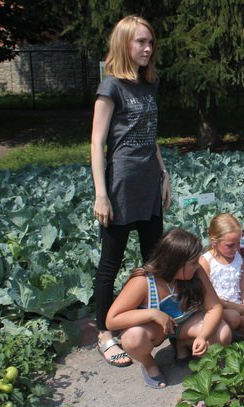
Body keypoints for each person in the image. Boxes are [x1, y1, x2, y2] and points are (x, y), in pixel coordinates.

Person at [91, 16, 171, 367]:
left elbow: (150, 136)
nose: (148, 48)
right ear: (124, 44)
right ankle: (104, 333)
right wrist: (101, 194)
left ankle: (151, 316)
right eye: (140, 42)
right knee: (110, 264)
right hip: (121, 185)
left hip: (149, 182)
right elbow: (96, 142)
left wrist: (164, 174)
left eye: (150, 42)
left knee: (154, 260)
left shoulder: (148, 84)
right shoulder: (111, 86)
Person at [106, 228, 232, 388]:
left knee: (223, 334)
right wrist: (152, 314)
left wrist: (203, 336)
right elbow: (111, 320)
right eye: (193, 262)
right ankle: (149, 364)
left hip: (187, 322)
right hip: (157, 329)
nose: (198, 265)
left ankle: (182, 343)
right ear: (175, 263)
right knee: (132, 339)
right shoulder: (143, 281)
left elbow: (214, 308)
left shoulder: (196, 272)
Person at [200, 213, 244, 335]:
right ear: (214, 241)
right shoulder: (206, 261)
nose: (236, 248)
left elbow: (243, 290)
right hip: (217, 308)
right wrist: (237, 308)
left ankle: (240, 333)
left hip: (239, 307)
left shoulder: (239, 260)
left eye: (238, 243)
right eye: (230, 245)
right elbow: (205, 297)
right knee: (233, 317)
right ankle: (236, 334)